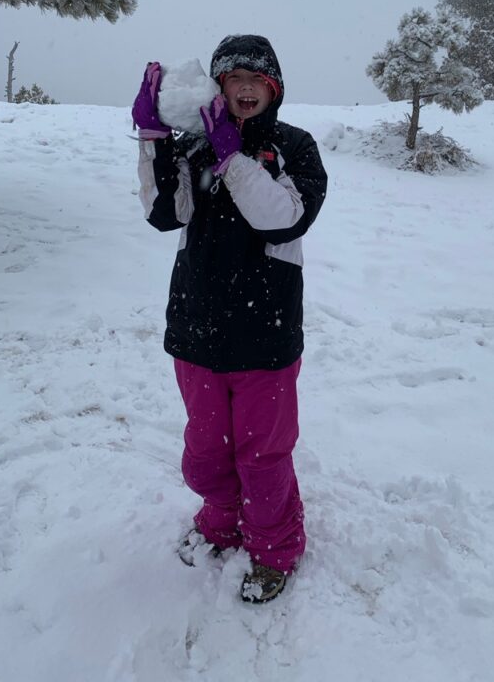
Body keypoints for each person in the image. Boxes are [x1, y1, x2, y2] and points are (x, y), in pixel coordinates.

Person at [133, 35, 328, 603]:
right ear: (216, 87)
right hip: (196, 328)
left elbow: (283, 220)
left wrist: (232, 157)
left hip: (264, 335)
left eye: (256, 79)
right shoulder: (194, 144)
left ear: (274, 89)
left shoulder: (295, 146)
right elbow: (164, 213)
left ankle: (273, 549)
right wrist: (154, 140)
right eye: (231, 78)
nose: (244, 88)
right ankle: (220, 522)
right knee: (205, 452)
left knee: (263, 456)